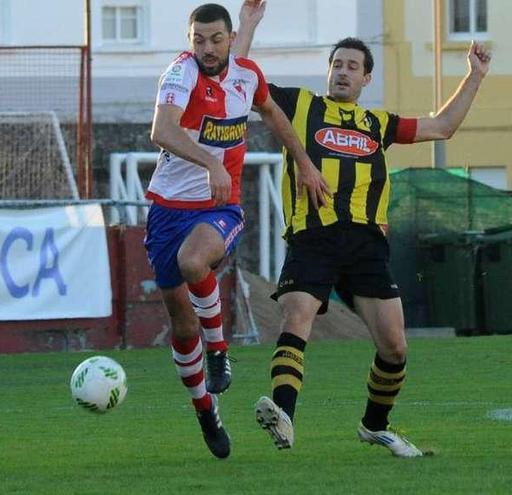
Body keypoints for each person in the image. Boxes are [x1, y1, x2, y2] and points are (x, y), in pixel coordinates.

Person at [234, 0, 491, 457]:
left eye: (352, 66)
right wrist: (247, 24)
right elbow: (240, 83)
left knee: (394, 346)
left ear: (366, 78)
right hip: (313, 237)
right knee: (297, 317)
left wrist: (474, 75)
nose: (342, 72)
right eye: (336, 64)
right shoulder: (300, 105)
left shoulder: (379, 124)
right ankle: (283, 413)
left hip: (367, 244)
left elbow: (444, 126)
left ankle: (375, 426)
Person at [145, 3, 329, 459]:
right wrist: (209, 162)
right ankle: (205, 409)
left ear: (229, 40)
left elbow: (272, 114)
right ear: (189, 42)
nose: (207, 48)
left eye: (216, 39)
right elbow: (161, 130)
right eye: (198, 40)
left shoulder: (247, 74)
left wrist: (305, 163)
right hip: (168, 210)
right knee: (181, 323)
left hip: (220, 207)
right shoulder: (180, 73)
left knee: (194, 261)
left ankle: (220, 350)